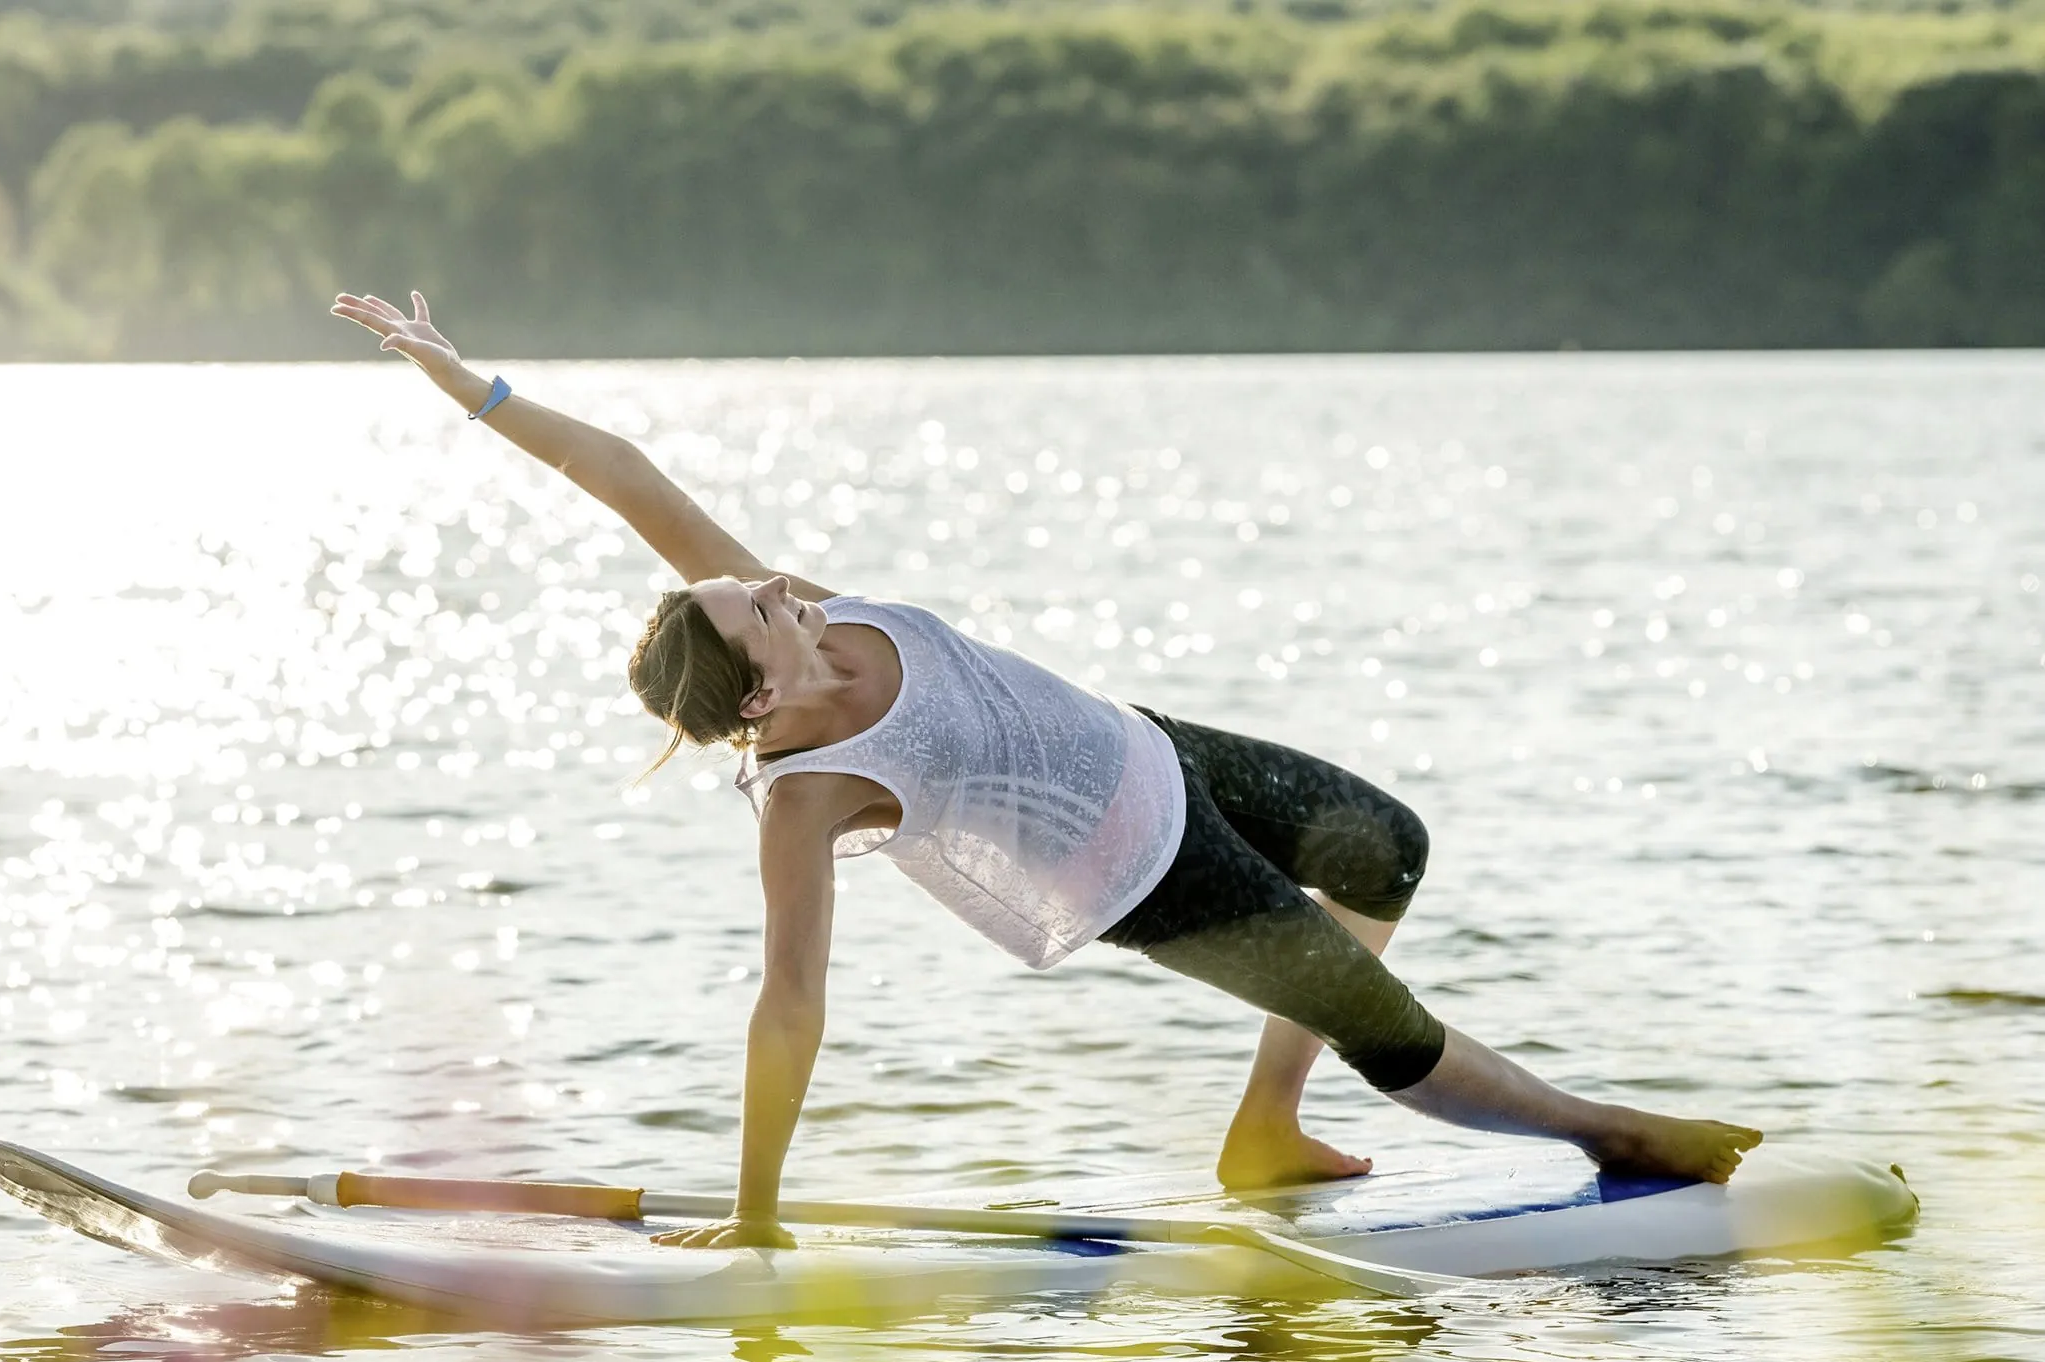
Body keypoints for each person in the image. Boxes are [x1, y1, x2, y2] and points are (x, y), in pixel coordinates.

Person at [332, 291, 1763, 1250]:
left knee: (1383, 844)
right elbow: (786, 1005)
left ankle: (1265, 1128)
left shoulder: (803, 620)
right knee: (1389, 1025)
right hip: (1145, 869)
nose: (766, 582)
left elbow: (621, 473)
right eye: (752, 608)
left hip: (1154, 746)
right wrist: (759, 1211)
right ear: (758, 690)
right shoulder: (809, 789)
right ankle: (1611, 1129)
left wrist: (470, 384)